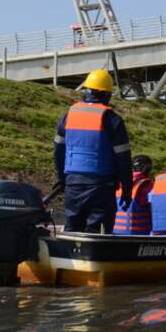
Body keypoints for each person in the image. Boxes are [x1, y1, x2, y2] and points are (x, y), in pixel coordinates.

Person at [53, 69, 132, 233]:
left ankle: (69, 257)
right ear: (107, 95)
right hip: (101, 187)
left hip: (73, 185)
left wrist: (62, 179)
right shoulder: (112, 120)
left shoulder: (68, 117)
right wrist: (126, 190)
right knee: (97, 232)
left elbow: (58, 152)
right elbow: (123, 159)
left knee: (72, 230)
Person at [113, 154, 154, 235]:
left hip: (116, 233)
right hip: (138, 234)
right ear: (148, 168)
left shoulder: (119, 183)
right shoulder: (147, 185)